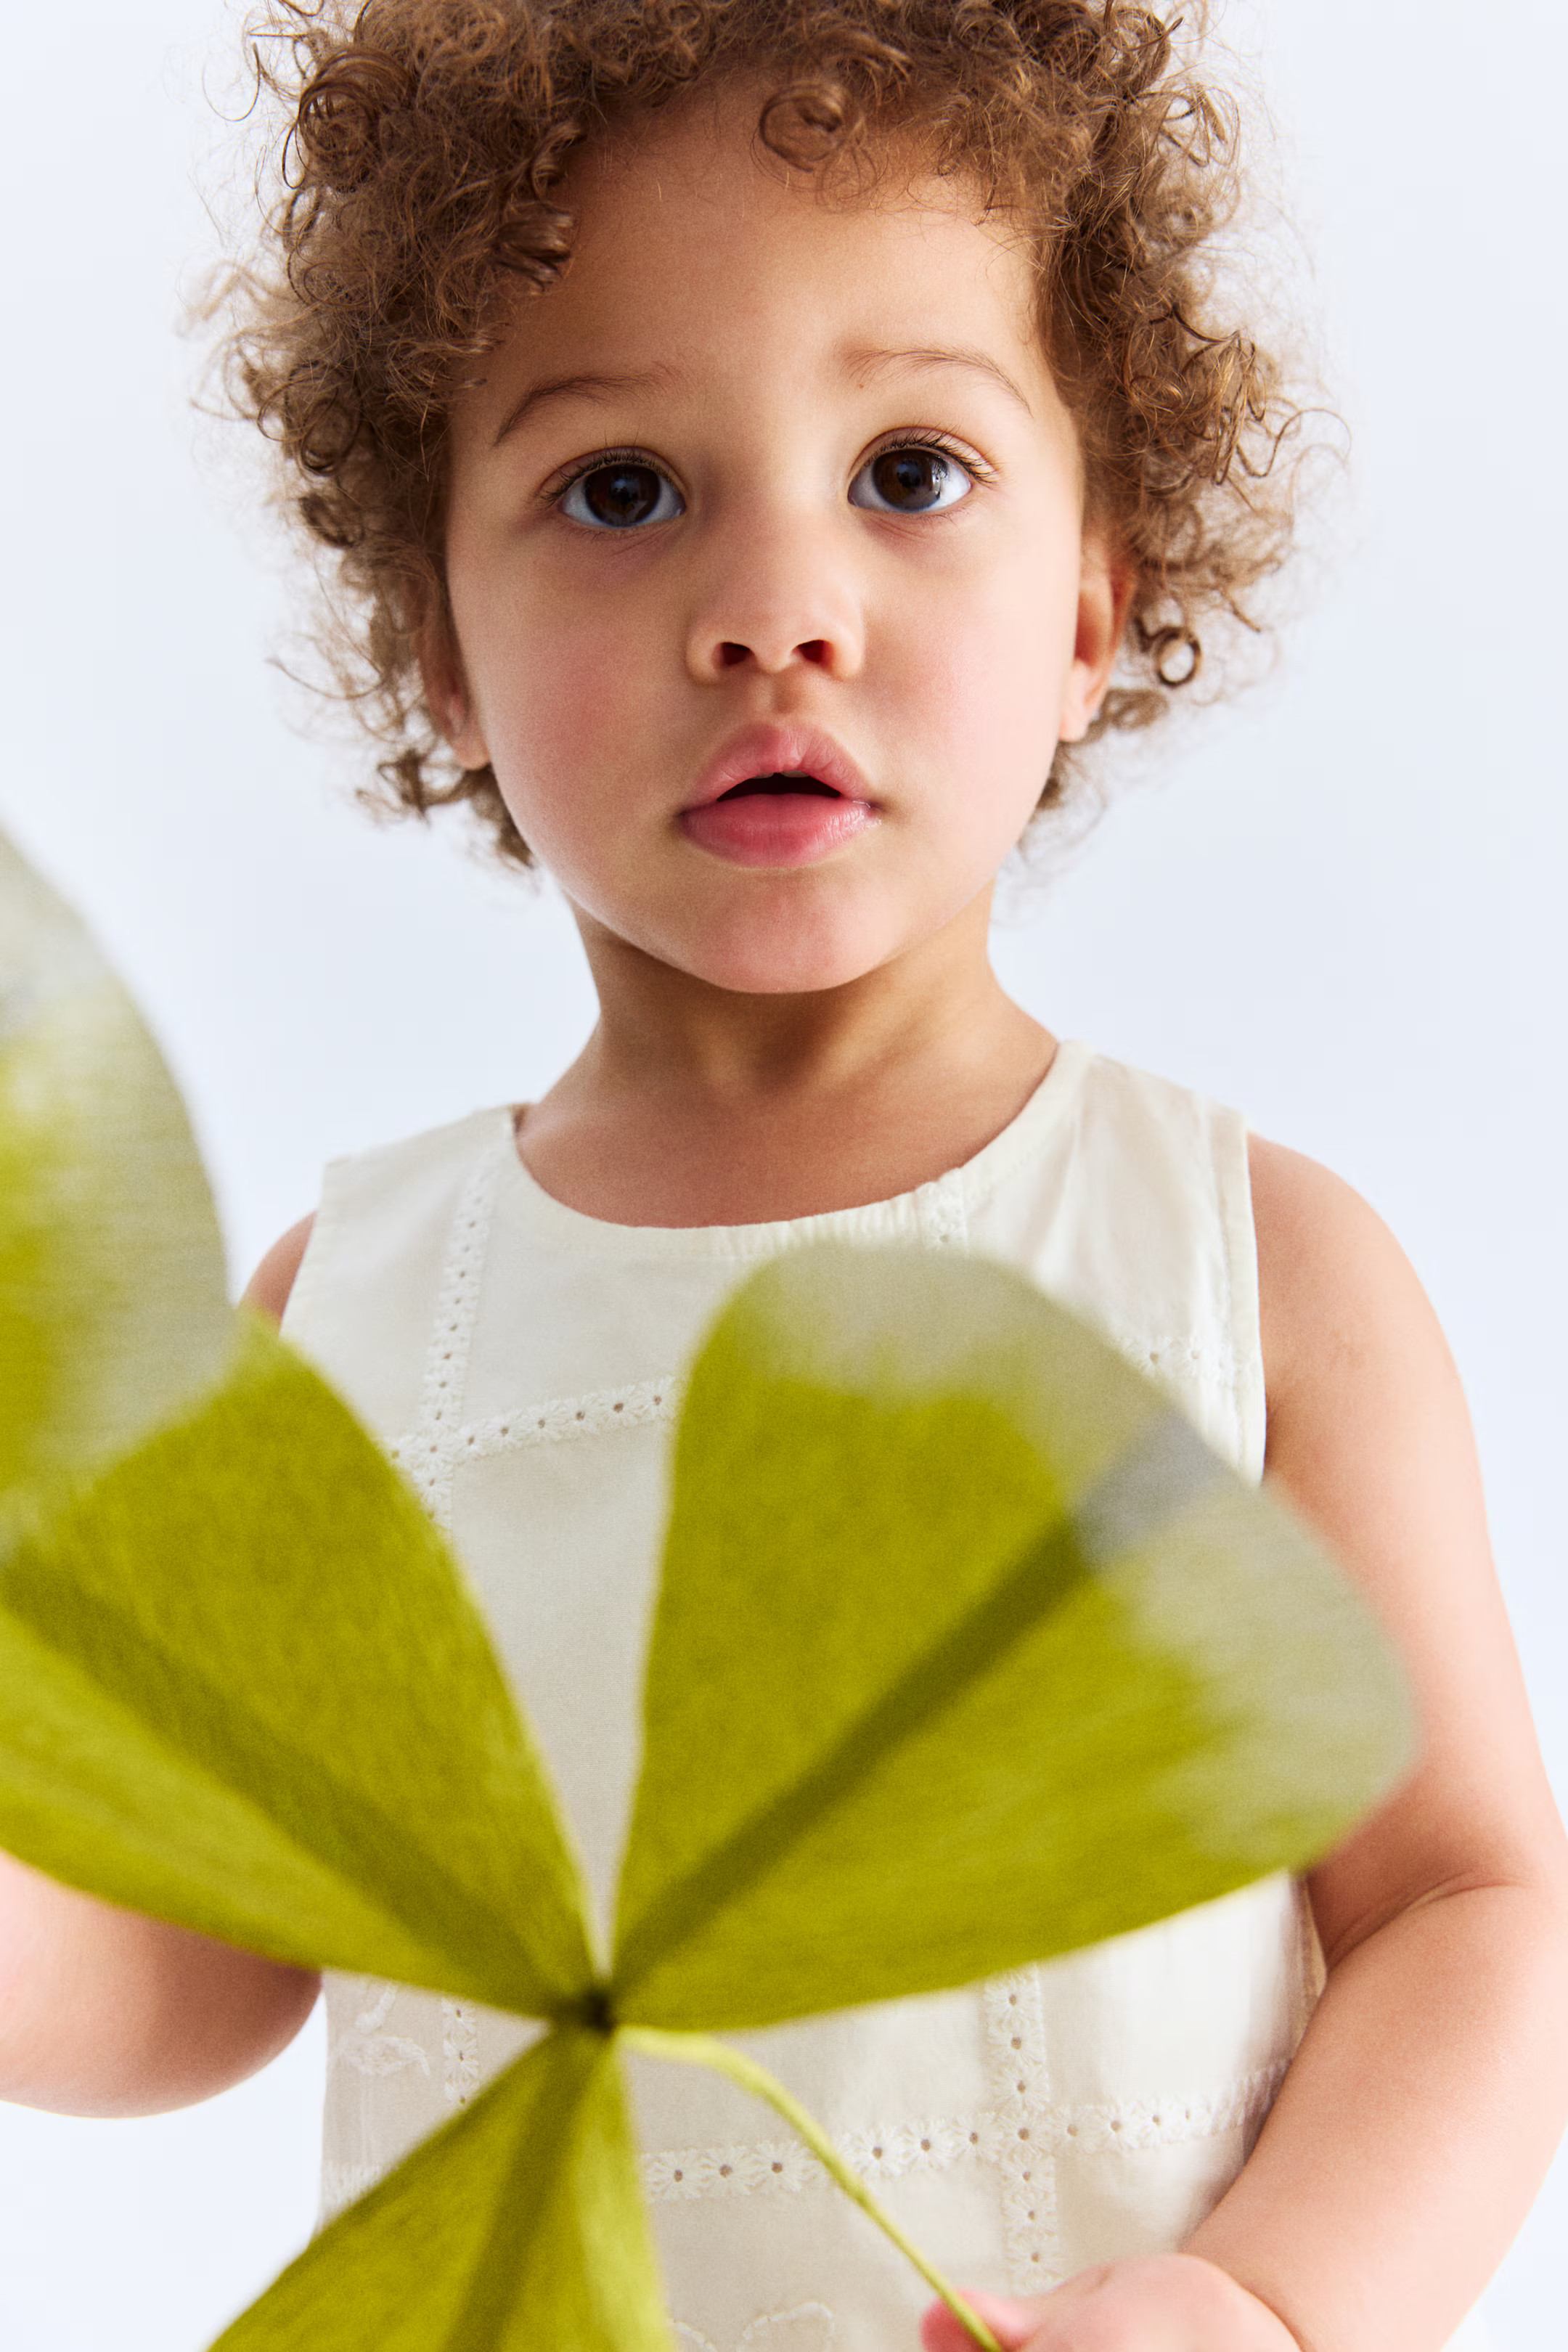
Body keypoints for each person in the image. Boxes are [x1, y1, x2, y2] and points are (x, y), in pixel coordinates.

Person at [3, 3, 1565, 2346]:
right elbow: (187, 1954)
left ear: (1090, 602)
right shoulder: (350, 1316)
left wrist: (1258, 2304)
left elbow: (1471, 1915)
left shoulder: (1253, 1269)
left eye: (911, 470)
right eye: (624, 489)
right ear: (436, 638)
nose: (777, 608)